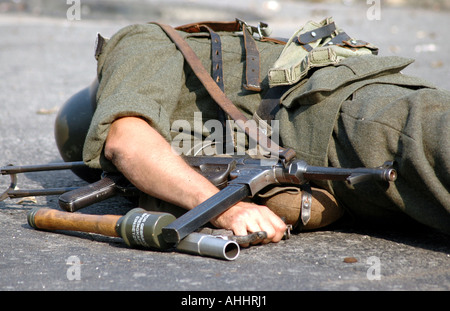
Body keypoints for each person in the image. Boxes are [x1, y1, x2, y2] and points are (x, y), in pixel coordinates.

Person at [81, 18, 450, 245]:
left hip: (350, 115)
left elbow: (125, 139)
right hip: (351, 141)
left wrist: (224, 211)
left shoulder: (136, 42)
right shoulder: (180, 135)